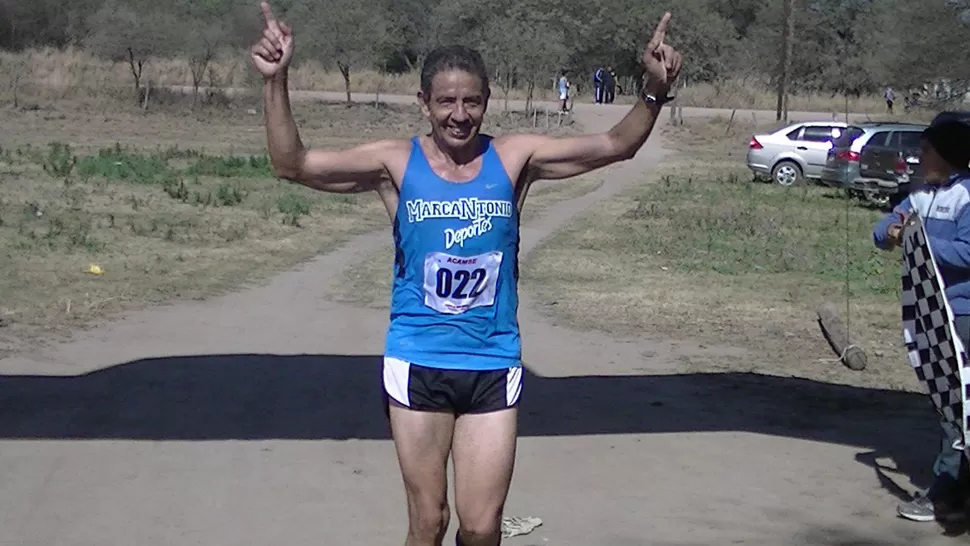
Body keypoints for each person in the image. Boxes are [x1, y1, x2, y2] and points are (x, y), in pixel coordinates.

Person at [250, 2, 682, 544]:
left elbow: (617, 145)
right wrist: (277, 81)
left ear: (487, 102)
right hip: (418, 360)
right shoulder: (394, 163)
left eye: (471, 101)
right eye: (446, 101)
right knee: (429, 522)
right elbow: (292, 164)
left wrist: (654, 89)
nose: (459, 114)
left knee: (480, 529)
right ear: (424, 104)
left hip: (492, 361)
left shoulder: (516, 157)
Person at [873, 119, 970, 523]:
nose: (919, 157)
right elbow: (882, 230)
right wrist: (895, 230)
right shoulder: (921, 195)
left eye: (927, 150)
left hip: (962, 313)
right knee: (947, 404)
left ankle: (945, 492)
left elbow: (967, 252)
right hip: (930, 312)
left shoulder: (967, 195)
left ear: (946, 154)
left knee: (957, 407)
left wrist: (922, 242)